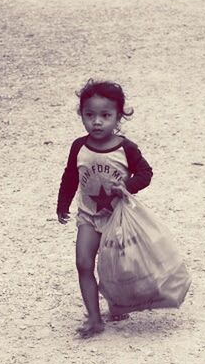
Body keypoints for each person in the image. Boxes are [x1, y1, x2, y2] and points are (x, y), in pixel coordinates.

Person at [57, 79, 153, 337]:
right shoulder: (79, 146)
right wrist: (62, 204)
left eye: (105, 115)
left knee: (114, 267)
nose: (97, 122)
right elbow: (70, 177)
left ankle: (117, 303)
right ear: (82, 115)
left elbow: (145, 173)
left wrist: (128, 186)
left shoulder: (125, 148)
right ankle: (94, 319)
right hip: (88, 217)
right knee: (83, 263)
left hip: (117, 221)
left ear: (118, 116)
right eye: (90, 115)